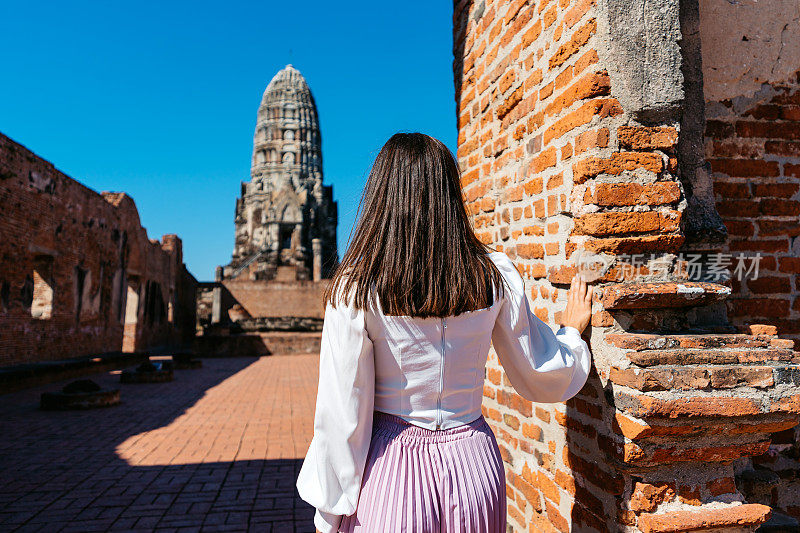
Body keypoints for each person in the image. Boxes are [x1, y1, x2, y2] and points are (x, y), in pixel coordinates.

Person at [296, 132, 593, 533]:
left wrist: (328, 515)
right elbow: (538, 368)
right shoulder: (493, 273)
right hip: (474, 467)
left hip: (390, 471)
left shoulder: (356, 288)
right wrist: (572, 336)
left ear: (382, 198)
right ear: (450, 193)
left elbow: (341, 412)